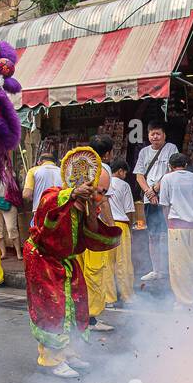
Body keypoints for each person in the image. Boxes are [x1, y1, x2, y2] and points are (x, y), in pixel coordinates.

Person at [24, 154, 119, 379]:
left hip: (66, 261)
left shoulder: (87, 206)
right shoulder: (56, 194)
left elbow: (93, 236)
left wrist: (92, 211)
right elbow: (47, 206)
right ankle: (50, 359)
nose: (101, 197)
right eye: (99, 191)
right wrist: (73, 194)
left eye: (104, 193)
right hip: (43, 259)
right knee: (52, 309)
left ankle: (68, 352)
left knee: (75, 305)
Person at [157, 153, 193, 310]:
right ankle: (190, 293)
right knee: (192, 262)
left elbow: (164, 204)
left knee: (178, 265)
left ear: (170, 166)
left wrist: (168, 223)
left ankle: (184, 301)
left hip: (177, 226)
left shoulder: (167, 179)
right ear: (186, 164)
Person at [79, 134, 117, 331]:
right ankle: (90, 319)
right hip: (90, 228)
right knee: (94, 274)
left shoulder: (79, 165)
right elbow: (100, 201)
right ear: (108, 153)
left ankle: (80, 317)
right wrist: (110, 228)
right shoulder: (102, 171)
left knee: (80, 273)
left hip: (75, 228)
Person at [134, 121, 178, 282]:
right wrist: (148, 192)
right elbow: (139, 175)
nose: (155, 137)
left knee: (168, 233)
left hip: (166, 198)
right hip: (149, 199)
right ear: (148, 135)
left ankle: (170, 268)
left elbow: (171, 171)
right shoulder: (144, 152)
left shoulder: (171, 148)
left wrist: (155, 189)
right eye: (152, 134)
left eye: (158, 133)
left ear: (164, 135)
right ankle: (156, 269)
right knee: (153, 235)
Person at [105, 156, 135, 305]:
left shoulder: (103, 182)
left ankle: (108, 297)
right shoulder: (124, 185)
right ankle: (127, 296)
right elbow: (129, 211)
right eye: (125, 173)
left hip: (104, 226)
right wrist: (130, 229)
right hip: (121, 225)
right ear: (121, 171)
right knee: (123, 262)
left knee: (107, 264)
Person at [0, 178, 22, 260]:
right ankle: (3, 253)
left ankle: (19, 253)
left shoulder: (9, 173)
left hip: (8, 202)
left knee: (11, 228)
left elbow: (13, 184)